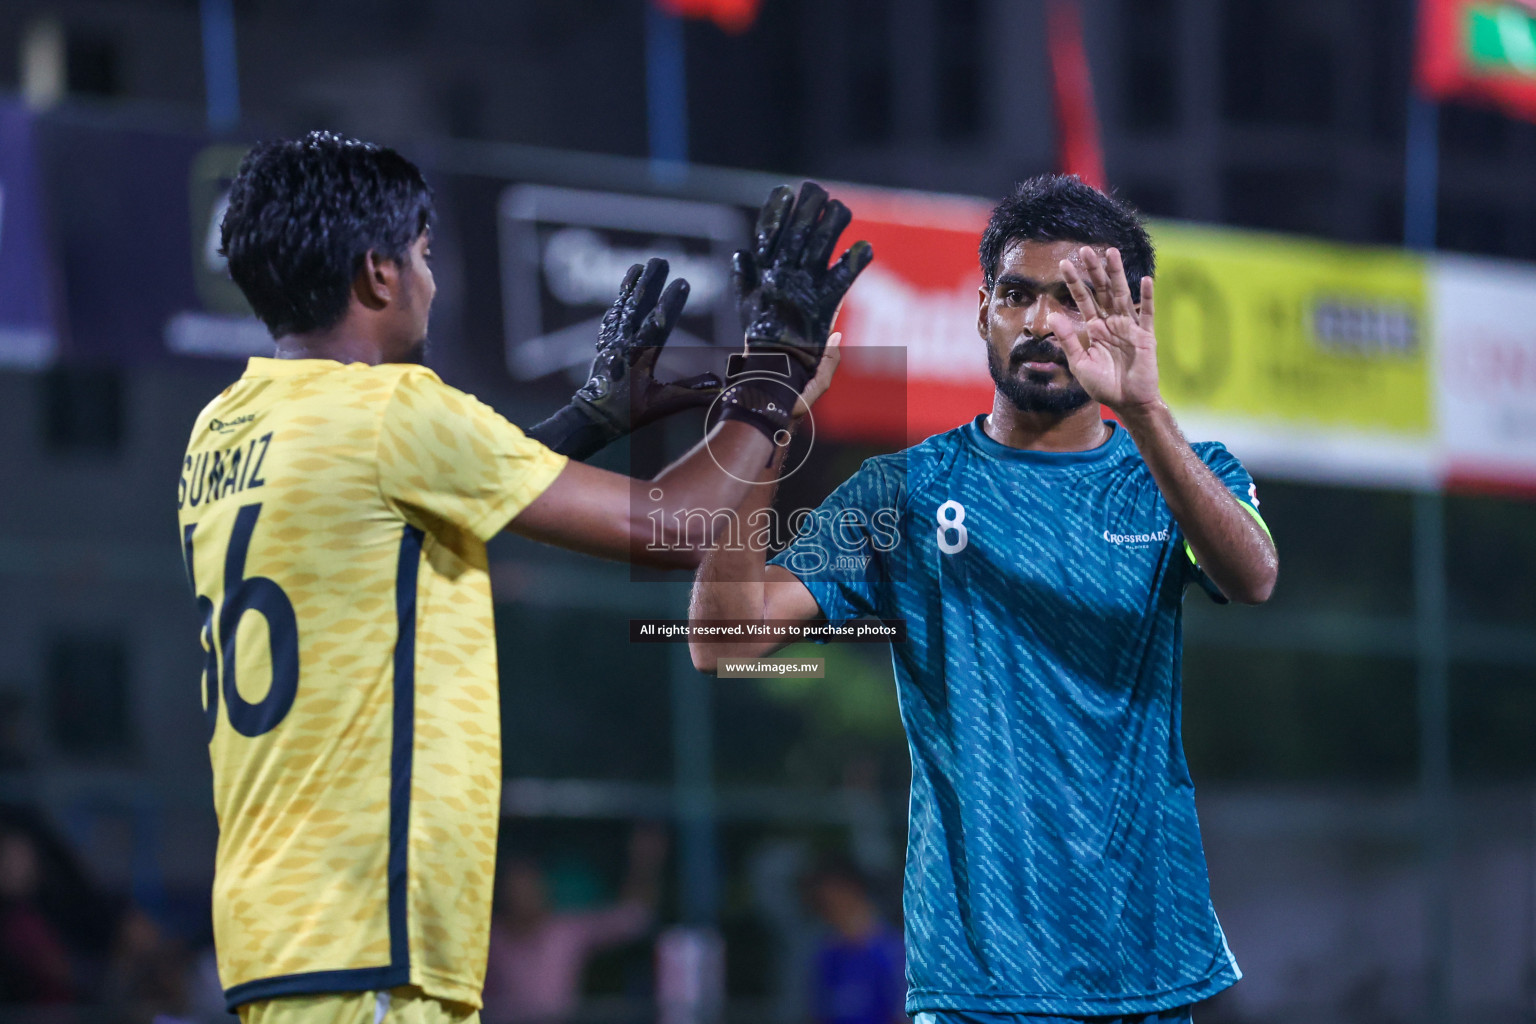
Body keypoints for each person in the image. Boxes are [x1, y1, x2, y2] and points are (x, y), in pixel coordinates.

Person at [180, 132, 870, 1024]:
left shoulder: (225, 427)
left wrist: (588, 419)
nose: (432, 279)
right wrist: (775, 368)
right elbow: (676, 525)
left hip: (279, 933)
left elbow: (406, 508)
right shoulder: (398, 411)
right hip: (369, 944)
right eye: (425, 256)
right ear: (377, 275)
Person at [688, 175, 1278, 1022]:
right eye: (1016, 295)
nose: (1039, 323)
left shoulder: (1180, 475)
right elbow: (720, 638)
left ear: (1127, 320)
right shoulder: (904, 491)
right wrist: (766, 409)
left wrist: (1145, 411)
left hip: (1147, 967)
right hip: (977, 984)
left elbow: (1253, 575)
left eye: (1071, 299)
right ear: (982, 314)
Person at [482, 826, 666, 1024]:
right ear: (503, 893)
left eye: (531, 886)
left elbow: (634, 917)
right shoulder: (489, 938)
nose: (524, 896)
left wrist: (645, 862)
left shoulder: (564, 932)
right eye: (516, 888)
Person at [801, 856, 905, 1024]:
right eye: (822, 905)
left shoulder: (892, 952)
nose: (829, 912)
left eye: (832, 902)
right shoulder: (827, 957)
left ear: (853, 892)